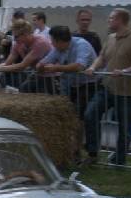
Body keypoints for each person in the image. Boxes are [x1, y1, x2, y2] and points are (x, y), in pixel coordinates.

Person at [83, 8, 131, 166]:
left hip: (127, 92)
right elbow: (102, 57)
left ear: (120, 20)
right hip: (107, 87)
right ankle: (92, 153)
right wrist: (93, 67)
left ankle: (119, 160)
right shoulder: (110, 37)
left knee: (125, 128)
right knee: (90, 114)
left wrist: (125, 71)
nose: (108, 21)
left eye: (111, 18)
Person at [37, 26, 98, 159]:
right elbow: (46, 60)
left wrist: (56, 68)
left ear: (59, 41)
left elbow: (79, 66)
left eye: (52, 40)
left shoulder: (82, 45)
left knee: (80, 117)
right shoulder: (58, 48)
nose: (51, 43)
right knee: (68, 115)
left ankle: (78, 149)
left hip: (88, 84)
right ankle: (69, 147)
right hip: (71, 84)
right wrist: (41, 65)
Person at [0, 19, 51, 91]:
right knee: (22, 90)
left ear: (25, 34)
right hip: (38, 73)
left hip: (51, 75)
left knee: (25, 91)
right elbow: (7, 63)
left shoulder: (40, 43)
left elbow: (22, 66)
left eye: (16, 36)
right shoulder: (18, 43)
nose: (14, 39)